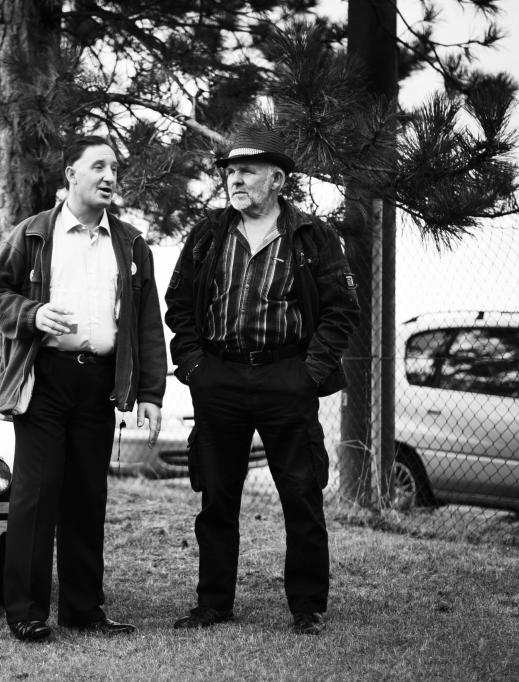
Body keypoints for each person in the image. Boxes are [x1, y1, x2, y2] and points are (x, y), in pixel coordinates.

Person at [164, 127, 360, 636]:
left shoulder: (313, 236)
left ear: (277, 180)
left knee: (301, 494)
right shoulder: (208, 234)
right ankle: (213, 603)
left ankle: (307, 606)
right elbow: (178, 304)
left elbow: (341, 311)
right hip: (220, 376)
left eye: (246, 171)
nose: (235, 179)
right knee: (217, 497)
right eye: (230, 172)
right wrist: (195, 368)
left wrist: (309, 374)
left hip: (286, 376)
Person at [0, 135, 167, 643]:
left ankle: (83, 609)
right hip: (45, 379)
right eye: (98, 166)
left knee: (87, 498)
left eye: (114, 168)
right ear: (71, 175)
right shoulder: (34, 233)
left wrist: (151, 393)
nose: (109, 177)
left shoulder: (131, 243)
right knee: (36, 496)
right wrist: (32, 313)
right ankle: (26, 611)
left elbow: (147, 324)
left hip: (99, 384)